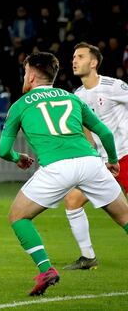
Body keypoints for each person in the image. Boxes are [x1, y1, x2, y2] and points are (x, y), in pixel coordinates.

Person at [0, 52, 128, 296]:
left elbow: (3, 150)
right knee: (125, 218)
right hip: (90, 162)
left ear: (33, 75)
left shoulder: (20, 104)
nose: (24, 76)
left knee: (18, 216)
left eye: (25, 71)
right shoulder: (72, 98)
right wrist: (112, 160)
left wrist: (19, 158)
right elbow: (106, 134)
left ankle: (46, 269)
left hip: (57, 168)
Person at [60, 43, 128, 270]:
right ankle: (88, 257)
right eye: (73, 57)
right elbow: (85, 129)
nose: (74, 61)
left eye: (80, 56)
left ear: (93, 62)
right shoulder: (77, 96)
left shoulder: (114, 86)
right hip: (100, 164)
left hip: (125, 156)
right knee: (72, 201)